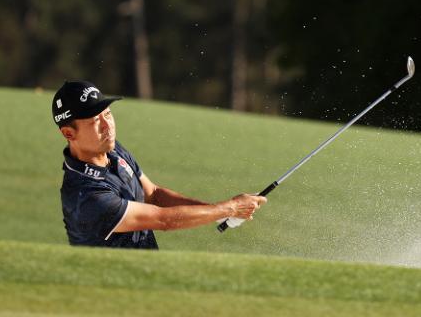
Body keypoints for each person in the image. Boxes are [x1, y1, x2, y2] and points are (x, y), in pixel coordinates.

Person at [52, 80, 266, 249]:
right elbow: (163, 220)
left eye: (107, 114)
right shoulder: (85, 194)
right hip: (114, 293)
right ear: (69, 133)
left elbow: (153, 194)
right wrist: (230, 207)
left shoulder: (112, 149)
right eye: (94, 121)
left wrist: (218, 211)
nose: (107, 125)